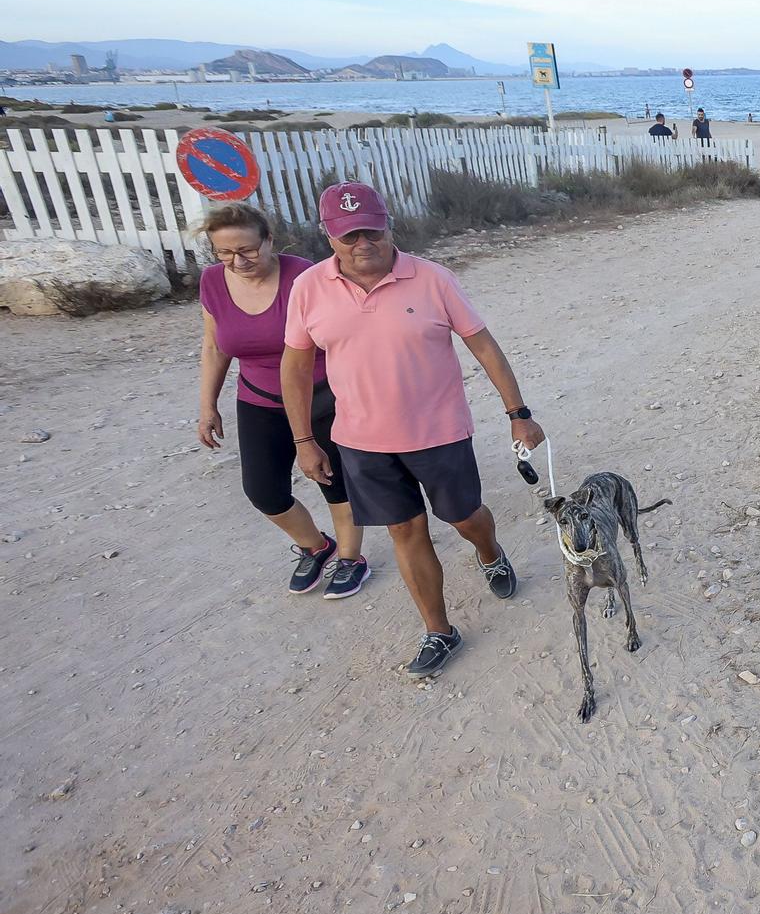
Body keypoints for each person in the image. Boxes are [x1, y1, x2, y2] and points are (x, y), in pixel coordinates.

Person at [281, 183, 546, 680]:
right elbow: (294, 367)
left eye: (372, 231)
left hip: (439, 432)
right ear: (328, 236)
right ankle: (439, 630)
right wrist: (303, 439)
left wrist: (518, 411)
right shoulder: (309, 288)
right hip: (360, 442)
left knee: (465, 518)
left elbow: (483, 346)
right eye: (348, 235)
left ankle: (490, 553)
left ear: (389, 225)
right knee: (404, 530)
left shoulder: (433, 279)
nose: (363, 243)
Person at [197, 203, 369, 599]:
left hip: (324, 393)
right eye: (224, 253)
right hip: (259, 399)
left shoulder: (305, 277)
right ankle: (316, 546)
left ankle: (350, 557)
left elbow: (347, 332)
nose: (237, 261)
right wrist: (208, 405)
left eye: (247, 251)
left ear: (269, 240)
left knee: (334, 481)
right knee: (263, 491)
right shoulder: (211, 282)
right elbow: (214, 345)